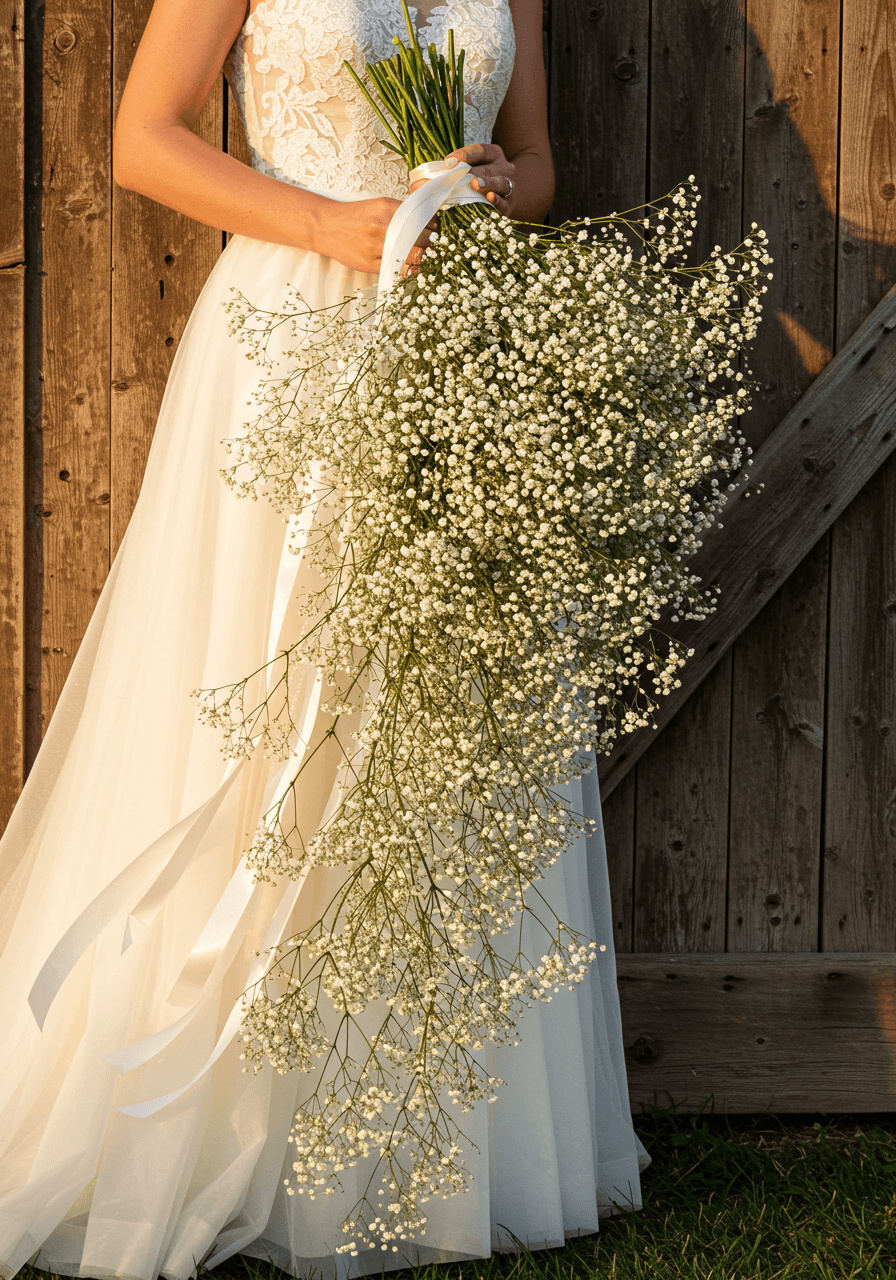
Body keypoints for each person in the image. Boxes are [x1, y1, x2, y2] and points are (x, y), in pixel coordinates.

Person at [0, 0, 650, 1274]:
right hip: (291, 338)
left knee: (451, 739)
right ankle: (224, 1112)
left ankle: (436, 1140)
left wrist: (497, 190)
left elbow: (539, 159)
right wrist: (329, 224)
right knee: (268, 725)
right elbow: (143, 137)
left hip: (459, 343)